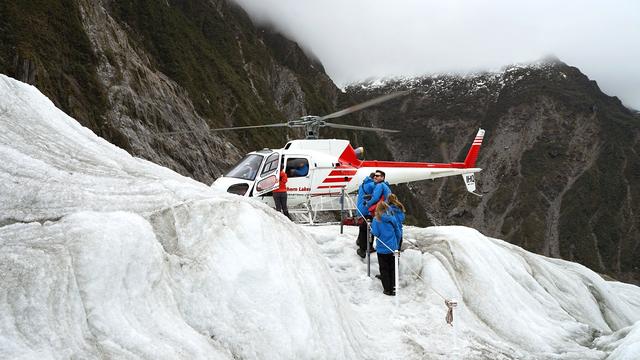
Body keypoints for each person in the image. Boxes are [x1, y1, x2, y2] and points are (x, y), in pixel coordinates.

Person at [370, 201, 401, 296]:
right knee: (393, 268)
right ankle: (394, 288)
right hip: (392, 247)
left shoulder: (376, 220)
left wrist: (371, 228)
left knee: (384, 269)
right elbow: (398, 233)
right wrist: (397, 245)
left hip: (382, 249)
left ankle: (387, 289)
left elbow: (375, 233)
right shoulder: (392, 219)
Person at [356, 173, 375, 258]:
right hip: (367, 210)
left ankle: (359, 242)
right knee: (368, 229)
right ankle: (367, 248)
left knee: (362, 227)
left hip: (360, 208)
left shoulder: (363, 184)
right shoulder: (372, 185)